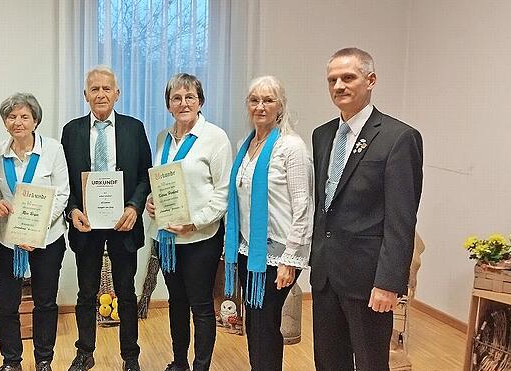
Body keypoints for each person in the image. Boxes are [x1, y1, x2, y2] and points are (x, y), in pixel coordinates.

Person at [310, 47, 423, 371]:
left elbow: (402, 220)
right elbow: (325, 206)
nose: (338, 86)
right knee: (328, 362)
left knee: (371, 363)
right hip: (326, 275)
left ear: (371, 80)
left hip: (368, 280)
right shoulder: (322, 135)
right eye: (332, 80)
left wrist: (389, 282)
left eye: (348, 77)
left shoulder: (398, 137)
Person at [60, 65, 152, 371]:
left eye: (106, 88)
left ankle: (130, 357)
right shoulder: (71, 131)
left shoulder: (134, 128)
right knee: (86, 294)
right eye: (95, 89)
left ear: (117, 93)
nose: (101, 94)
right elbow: (64, 180)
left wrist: (134, 207)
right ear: (85, 94)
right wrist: (72, 209)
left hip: (123, 224)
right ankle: (84, 353)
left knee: (126, 293)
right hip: (86, 225)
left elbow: (145, 175)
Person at [222, 76, 313, 370]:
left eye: (268, 100)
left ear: (280, 106)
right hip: (248, 251)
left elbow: (303, 205)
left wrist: (290, 259)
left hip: (278, 255)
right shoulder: (245, 144)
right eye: (254, 100)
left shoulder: (291, 147)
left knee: (265, 324)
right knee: (255, 322)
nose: (260, 106)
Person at [145, 73, 233, 371]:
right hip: (167, 239)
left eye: (189, 97)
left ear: (200, 102)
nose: (183, 103)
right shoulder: (163, 138)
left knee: (201, 306)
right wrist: (151, 201)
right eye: (176, 98)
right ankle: (180, 362)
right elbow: (161, 182)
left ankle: (201, 366)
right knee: (176, 303)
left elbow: (223, 193)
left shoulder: (215, 138)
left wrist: (194, 223)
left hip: (200, 239)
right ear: (168, 105)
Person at [0, 93, 70, 371]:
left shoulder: (53, 149)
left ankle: (44, 359)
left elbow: (62, 194)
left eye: (25, 116)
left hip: (47, 240)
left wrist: (36, 229)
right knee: (6, 305)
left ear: (35, 120)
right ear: (5, 121)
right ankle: (11, 361)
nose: (18, 122)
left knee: (45, 302)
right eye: (12, 116)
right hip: (8, 241)